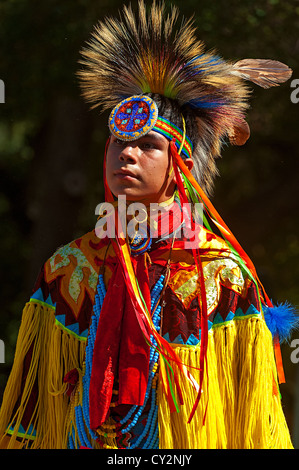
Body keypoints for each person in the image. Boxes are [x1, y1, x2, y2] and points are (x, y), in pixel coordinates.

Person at [0, 1, 297, 449]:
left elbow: (254, 428)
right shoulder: (69, 269)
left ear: (179, 165)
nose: (128, 153)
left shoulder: (221, 276)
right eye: (118, 141)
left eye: (147, 145)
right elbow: (30, 416)